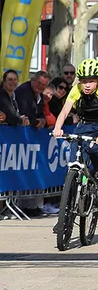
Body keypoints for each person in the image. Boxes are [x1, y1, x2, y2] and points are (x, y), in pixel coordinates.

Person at [53, 59, 98, 229]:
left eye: (92, 81)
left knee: (95, 158)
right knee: (73, 167)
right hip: (84, 126)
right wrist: (58, 127)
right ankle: (64, 218)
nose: (87, 85)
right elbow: (65, 110)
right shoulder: (76, 89)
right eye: (84, 81)